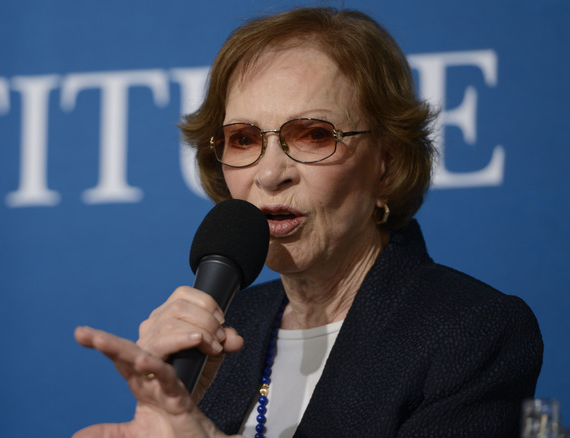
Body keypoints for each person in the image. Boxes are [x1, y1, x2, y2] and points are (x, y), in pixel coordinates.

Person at [74, 7, 543, 438]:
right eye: (242, 138)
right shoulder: (225, 329)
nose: (271, 173)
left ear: (387, 160)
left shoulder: (469, 332)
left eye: (314, 135)